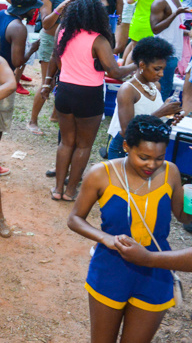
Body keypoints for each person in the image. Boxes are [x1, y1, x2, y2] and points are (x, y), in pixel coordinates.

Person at [68, 115, 191, 343]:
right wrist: (105, 238)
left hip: (156, 271)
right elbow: (75, 219)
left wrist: (190, 203)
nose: (152, 165)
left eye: (159, 158)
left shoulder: (170, 172)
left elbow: (183, 217)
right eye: (144, 157)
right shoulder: (101, 174)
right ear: (126, 146)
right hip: (111, 268)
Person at [44, 0, 136, 201]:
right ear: (97, 15)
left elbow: (57, 58)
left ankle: (57, 189)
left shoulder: (62, 32)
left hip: (65, 91)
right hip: (89, 94)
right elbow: (115, 72)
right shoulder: (98, 40)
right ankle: (70, 192)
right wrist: (136, 65)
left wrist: (53, 80)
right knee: (83, 145)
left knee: (66, 142)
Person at [106, 37, 180, 159]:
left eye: (163, 69)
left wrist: (170, 117)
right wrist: (161, 112)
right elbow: (127, 130)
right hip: (125, 149)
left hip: (147, 147)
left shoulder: (156, 86)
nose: (161, 74)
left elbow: (153, 120)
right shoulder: (128, 90)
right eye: (157, 69)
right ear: (142, 65)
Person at [28, 0, 77, 136]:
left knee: (62, 80)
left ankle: (55, 115)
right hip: (50, 41)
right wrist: (61, 7)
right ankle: (32, 121)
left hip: (66, 42)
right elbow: (46, 23)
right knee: (47, 82)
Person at [0, 0, 42, 142]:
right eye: (33, 8)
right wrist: (32, 49)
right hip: (2, 78)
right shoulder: (18, 28)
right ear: (26, 9)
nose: (35, 11)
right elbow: (17, 62)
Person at [150, 0, 191, 101]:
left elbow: (175, 26)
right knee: (163, 87)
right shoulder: (160, 1)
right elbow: (155, 28)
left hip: (175, 51)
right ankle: (157, 112)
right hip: (163, 52)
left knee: (167, 86)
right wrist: (176, 14)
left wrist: (186, 29)